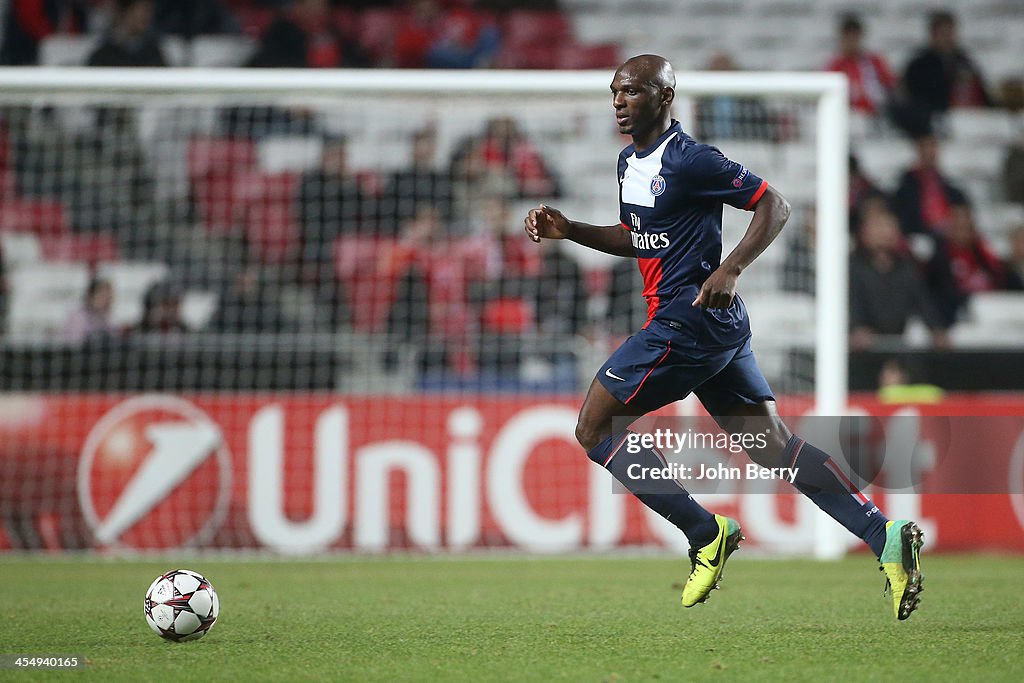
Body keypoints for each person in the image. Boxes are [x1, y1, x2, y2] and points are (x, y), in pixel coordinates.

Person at [523, 55, 924, 620]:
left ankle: (704, 532)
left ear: (664, 98)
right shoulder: (627, 162)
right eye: (614, 91)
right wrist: (571, 230)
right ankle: (883, 535)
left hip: (684, 322)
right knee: (772, 446)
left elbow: (774, 205)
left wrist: (731, 266)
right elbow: (639, 237)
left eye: (632, 92)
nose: (618, 101)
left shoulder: (692, 160)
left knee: (593, 427)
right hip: (717, 328)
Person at [848, 201, 950, 349]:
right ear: (864, 231)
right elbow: (851, 302)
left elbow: (923, 301)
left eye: (888, 226)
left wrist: (936, 329)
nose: (883, 232)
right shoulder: (851, 266)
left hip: (897, 345)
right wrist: (857, 327)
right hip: (859, 349)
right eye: (877, 226)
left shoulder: (907, 266)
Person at [899, 10, 992, 132]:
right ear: (932, 34)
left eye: (950, 32)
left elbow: (980, 90)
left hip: (967, 117)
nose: (947, 37)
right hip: (933, 119)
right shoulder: (919, 64)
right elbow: (914, 96)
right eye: (942, 32)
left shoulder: (964, 61)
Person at [893, 133, 967, 236]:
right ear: (918, 152)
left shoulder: (951, 190)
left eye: (933, 147)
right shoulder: (906, 189)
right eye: (925, 148)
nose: (930, 153)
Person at [825, 14, 896, 117]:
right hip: (846, 114)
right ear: (842, 38)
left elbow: (890, 84)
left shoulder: (874, 61)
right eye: (848, 38)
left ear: (860, 37)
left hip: (876, 113)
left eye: (854, 37)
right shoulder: (834, 65)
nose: (852, 42)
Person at [86, 0, 167, 68]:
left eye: (148, 10)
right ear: (123, 12)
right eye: (142, 11)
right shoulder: (103, 54)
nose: (146, 16)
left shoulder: (153, 52)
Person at [64, 278, 118, 344]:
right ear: (92, 296)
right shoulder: (79, 316)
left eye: (110, 297)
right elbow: (75, 343)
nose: (108, 301)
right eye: (103, 295)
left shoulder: (106, 318)